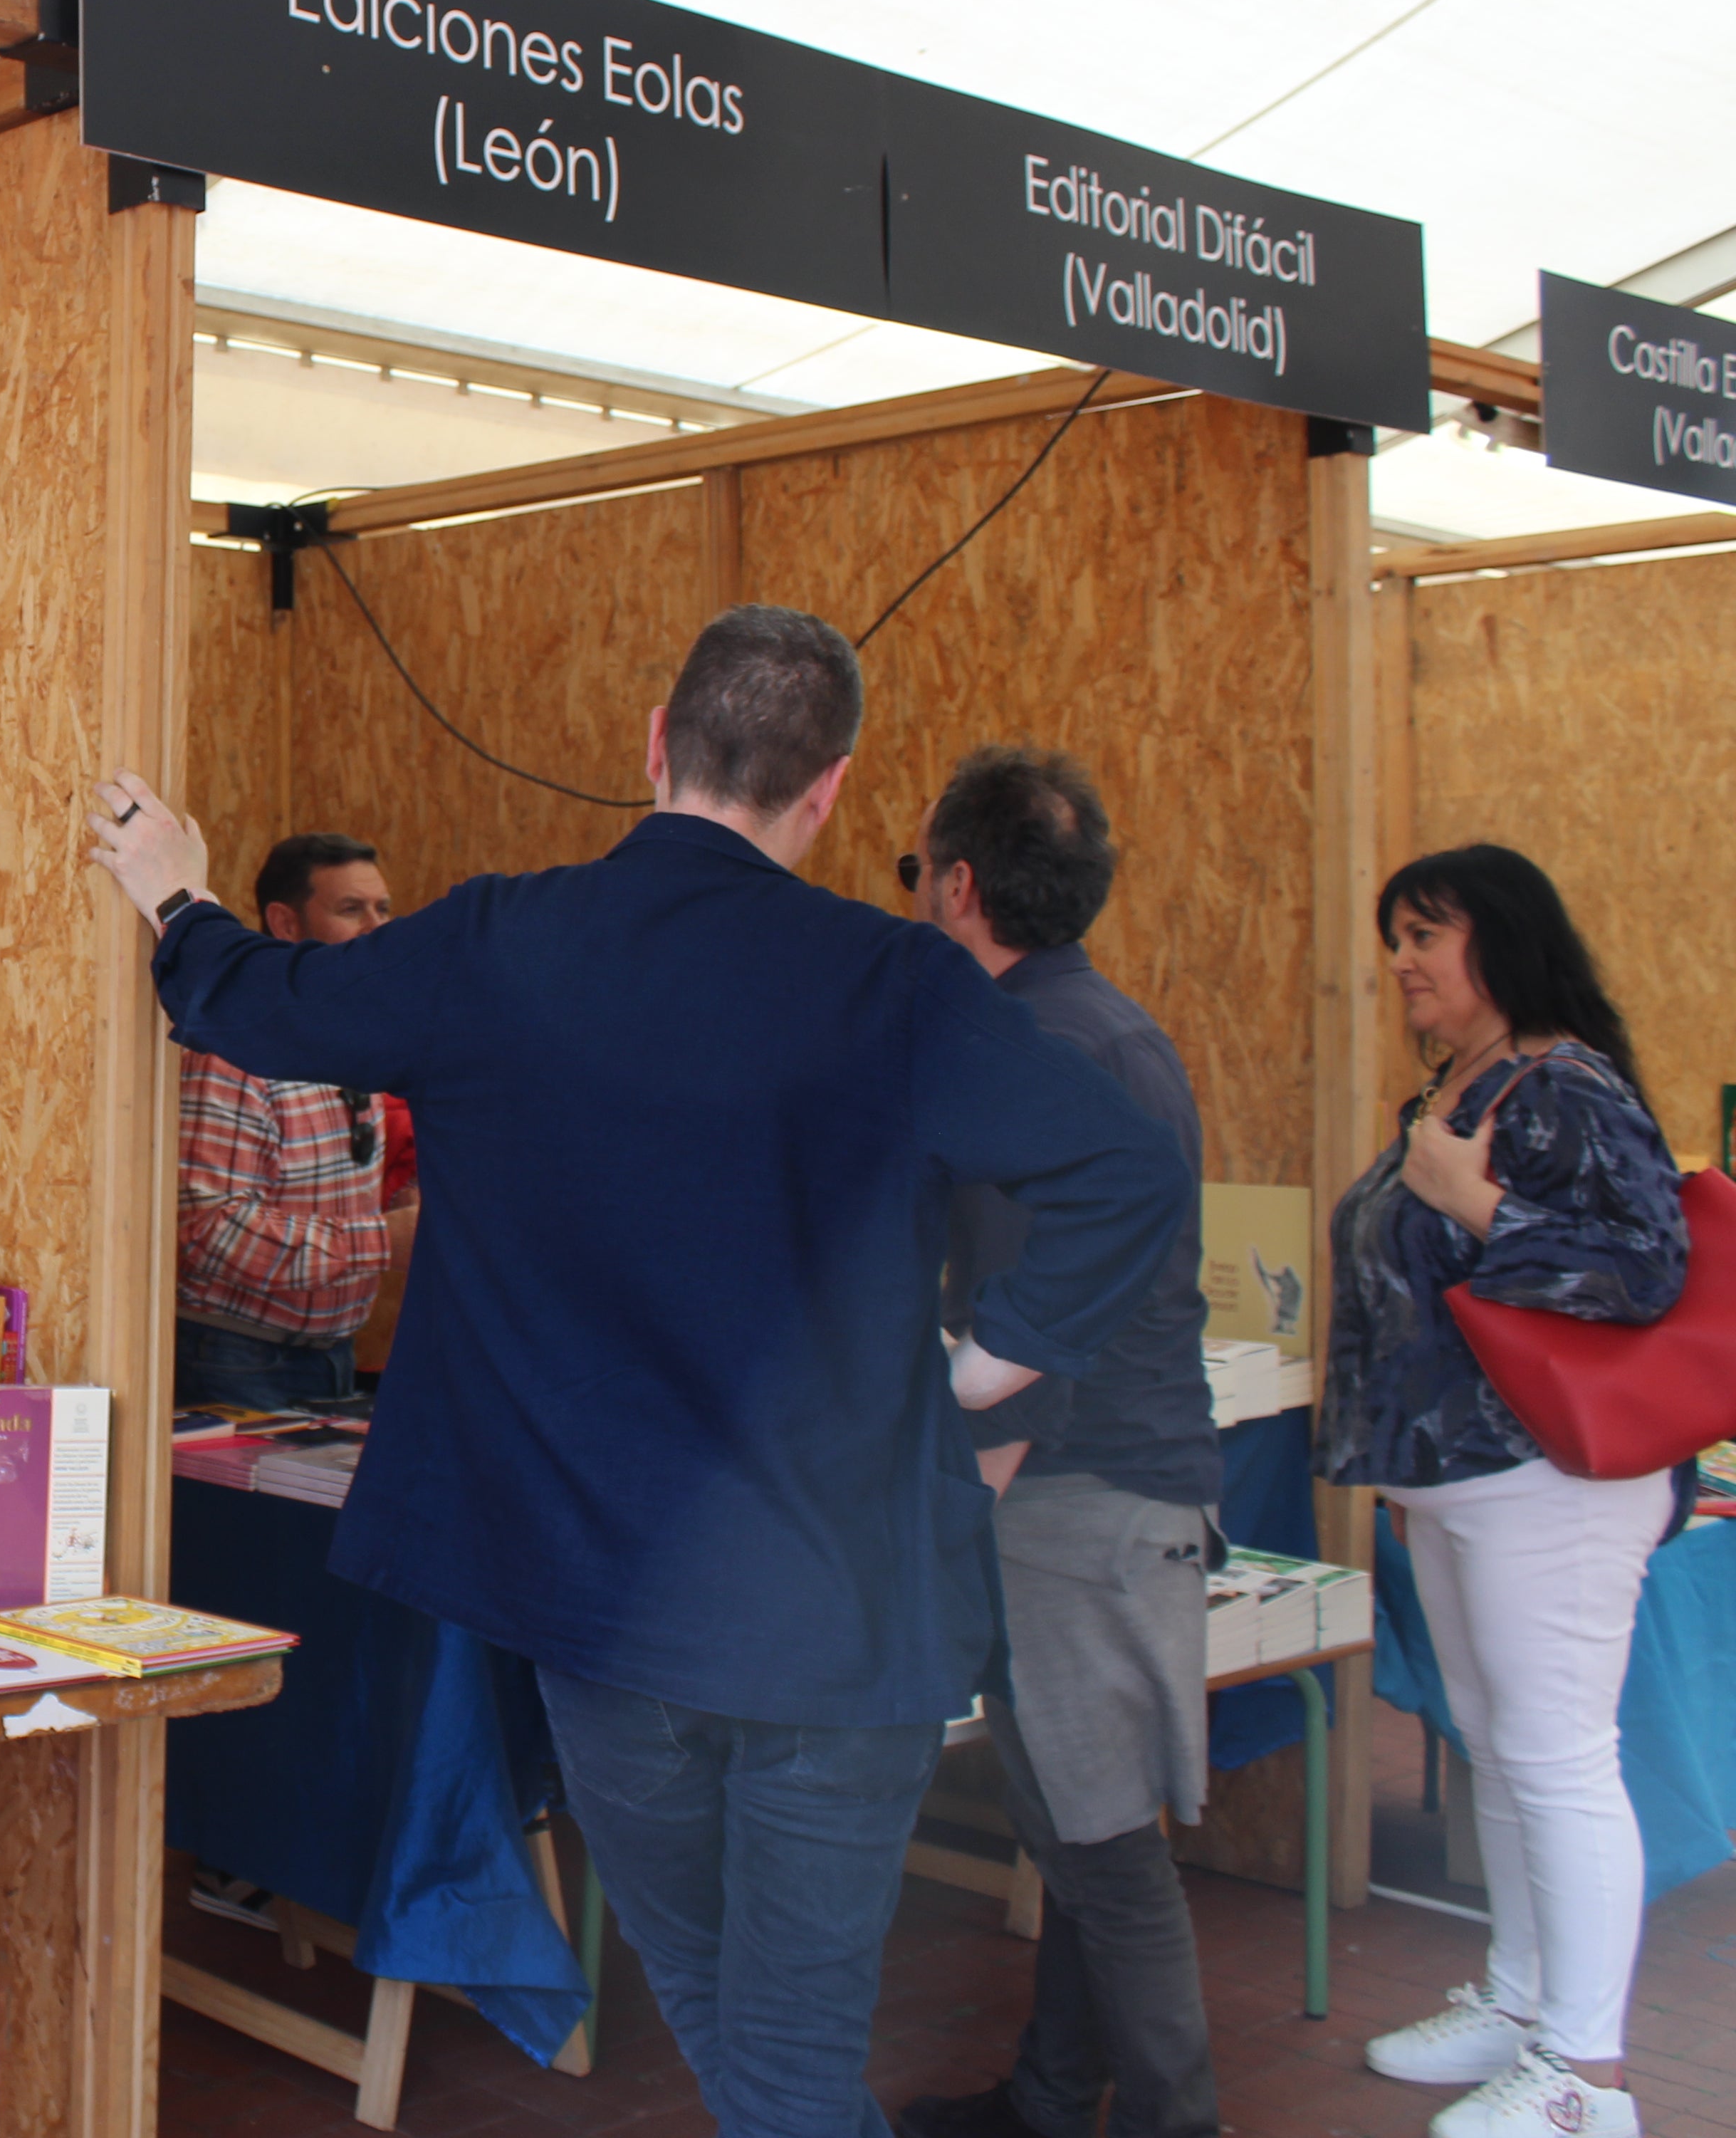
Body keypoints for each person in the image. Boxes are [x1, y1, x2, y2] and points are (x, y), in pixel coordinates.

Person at [88, 605, 1191, 2138]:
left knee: (731, 2031)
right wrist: (992, 1363)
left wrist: (180, 894)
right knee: (782, 2061)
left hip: (601, 1617)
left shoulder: (501, 941)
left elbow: (255, 1006)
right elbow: (1128, 1172)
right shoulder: (896, 983)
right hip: (841, 1622)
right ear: (831, 790)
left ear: (655, 746)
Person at [1319, 845, 1685, 2138]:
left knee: (1558, 1758)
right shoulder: (1458, 1082)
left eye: (1425, 934)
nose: (1401, 962)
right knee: (1499, 1746)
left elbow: (1645, 1266)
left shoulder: (1563, 1086)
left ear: (1502, 942)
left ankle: (1584, 2079)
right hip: (1463, 1483)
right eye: (1393, 939)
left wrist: (1474, 1205)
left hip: (1551, 1482)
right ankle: (1522, 1999)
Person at [889, 750, 1224, 2138]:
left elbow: (1029, 1356)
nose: (913, 900)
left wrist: (943, 1526)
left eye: (914, 874)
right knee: (1087, 1839)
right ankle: (1048, 2100)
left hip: (1078, 1508)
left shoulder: (1030, 1053)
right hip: (1128, 1492)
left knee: (1102, 1856)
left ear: (961, 887)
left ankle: (1170, 2119)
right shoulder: (1112, 1030)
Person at [175, 832, 413, 1410]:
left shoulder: (360, 1033)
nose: (377, 929)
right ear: (285, 924)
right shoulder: (237, 1051)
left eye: (383, 909)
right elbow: (209, 1232)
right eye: (351, 910)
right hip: (240, 1358)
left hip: (332, 1352)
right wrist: (386, 1241)